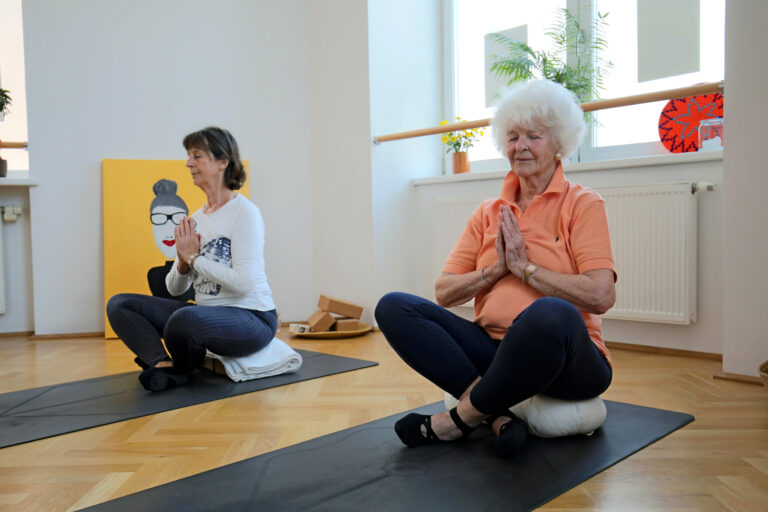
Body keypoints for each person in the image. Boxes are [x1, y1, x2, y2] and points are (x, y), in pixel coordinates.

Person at [375, 80, 616, 457]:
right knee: (394, 306)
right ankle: (499, 416)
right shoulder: (488, 212)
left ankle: (456, 421)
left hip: (570, 363)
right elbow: (445, 292)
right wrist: (497, 269)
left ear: (559, 144)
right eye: (513, 136)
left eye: (533, 136)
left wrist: (526, 269)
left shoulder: (583, 204)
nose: (520, 146)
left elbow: (601, 296)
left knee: (551, 313)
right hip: (493, 350)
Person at [107, 126, 278, 392]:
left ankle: (182, 368)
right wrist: (183, 261)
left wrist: (195, 258)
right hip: (202, 313)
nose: (189, 163)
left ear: (223, 162)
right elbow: (174, 289)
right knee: (119, 305)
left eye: (197, 156)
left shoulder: (245, 213)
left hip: (252, 319)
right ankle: (164, 366)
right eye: (189, 156)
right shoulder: (196, 219)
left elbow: (244, 283)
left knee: (185, 318)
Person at [147, 179, 195, 302]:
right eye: (159, 218)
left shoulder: (201, 269)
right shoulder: (155, 275)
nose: (169, 231)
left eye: (178, 218)